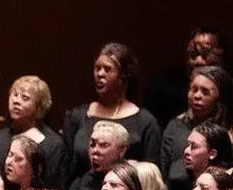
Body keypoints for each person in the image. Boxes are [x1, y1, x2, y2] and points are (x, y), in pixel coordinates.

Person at [64, 42, 161, 181]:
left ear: (123, 76)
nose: (100, 74)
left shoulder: (145, 122)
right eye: (97, 68)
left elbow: (152, 174)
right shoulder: (77, 116)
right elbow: (68, 170)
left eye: (107, 69)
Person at [160, 67, 232, 190]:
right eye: (193, 89)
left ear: (220, 98)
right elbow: (165, 172)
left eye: (205, 92)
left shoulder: (228, 132)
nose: (197, 96)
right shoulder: (175, 126)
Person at [0, 76, 68, 190]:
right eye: (15, 95)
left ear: (38, 106)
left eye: (25, 98)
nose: (16, 101)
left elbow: (55, 188)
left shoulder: (53, 144)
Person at [145, 25, 230, 128]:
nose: (198, 61)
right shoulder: (164, 86)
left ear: (222, 56)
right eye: (193, 54)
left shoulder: (231, 88)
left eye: (205, 54)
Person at [68, 120, 130, 190]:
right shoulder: (81, 183)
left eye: (103, 145)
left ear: (122, 150)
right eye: (92, 144)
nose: (95, 151)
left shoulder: (133, 180)